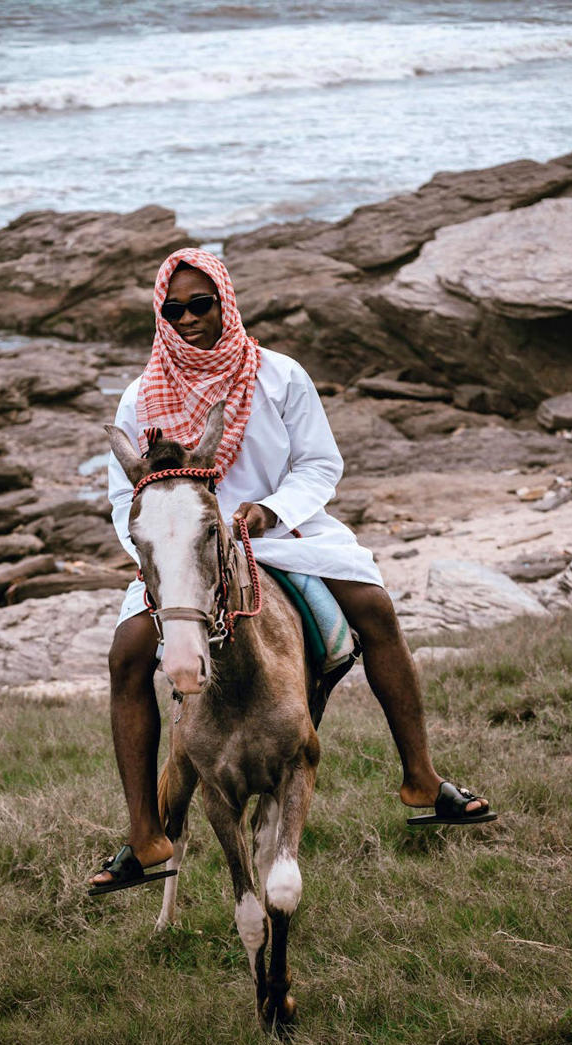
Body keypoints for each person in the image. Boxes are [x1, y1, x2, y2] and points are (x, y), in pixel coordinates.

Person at [89, 248, 493, 892]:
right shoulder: (141, 396)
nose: (189, 317)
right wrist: (160, 555)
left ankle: (421, 777)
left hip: (278, 537)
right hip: (181, 554)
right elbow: (123, 498)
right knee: (125, 656)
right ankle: (145, 835)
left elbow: (319, 464)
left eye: (202, 303)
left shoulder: (276, 375)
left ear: (225, 300)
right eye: (175, 308)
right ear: (160, 313)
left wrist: (268, 513)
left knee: (374, 609)